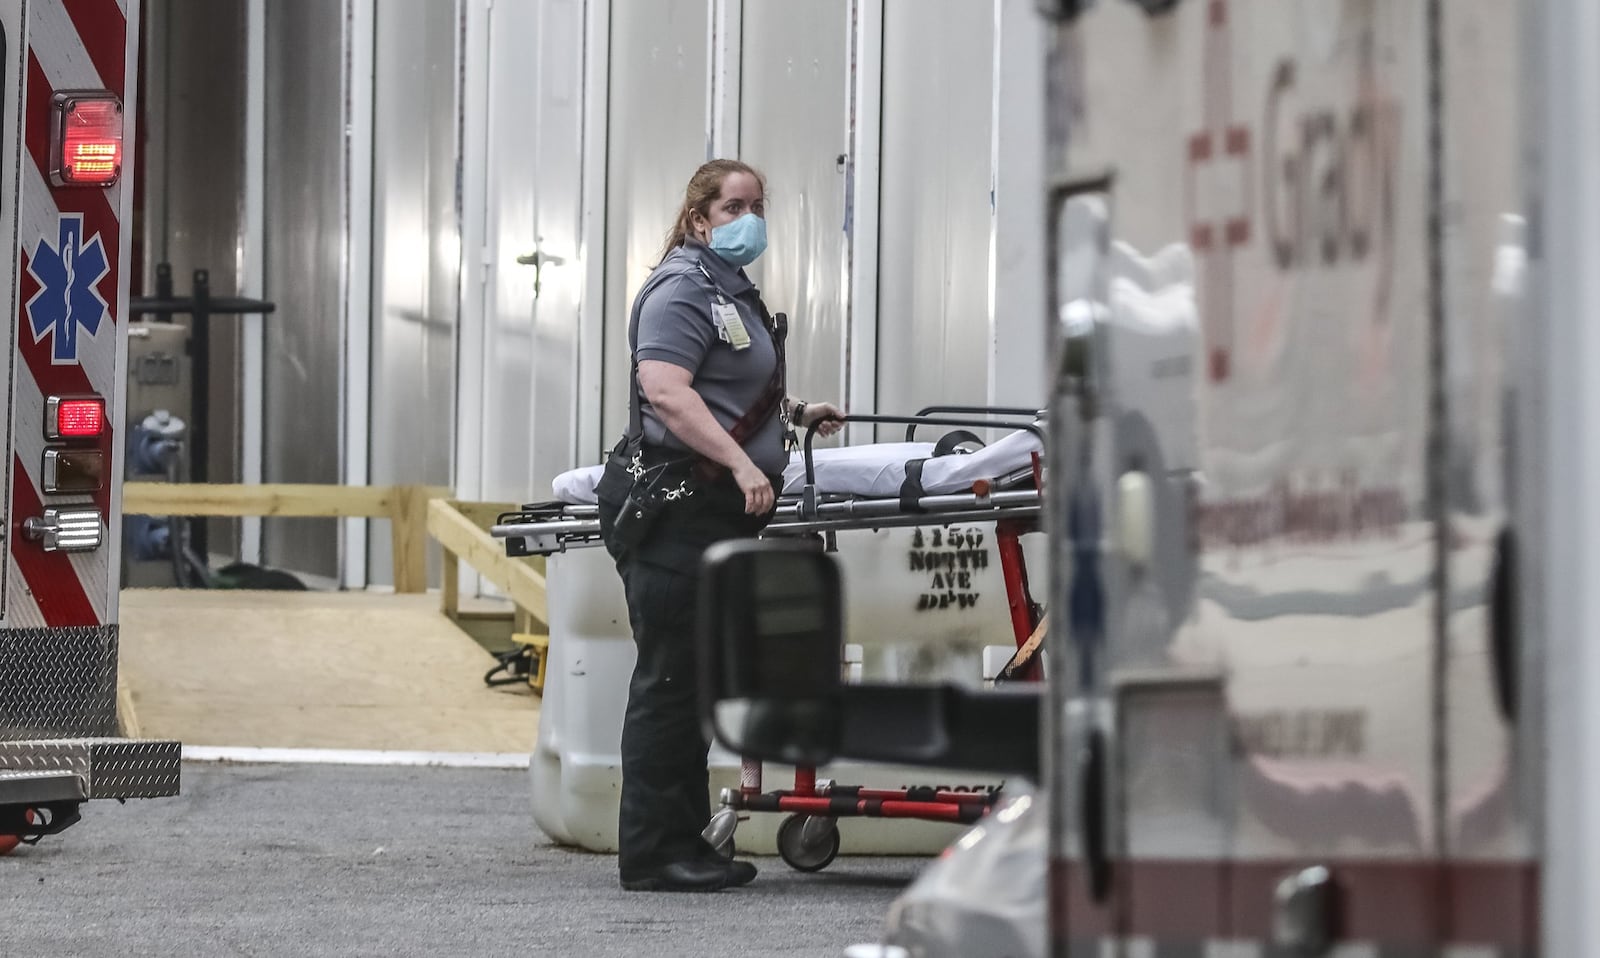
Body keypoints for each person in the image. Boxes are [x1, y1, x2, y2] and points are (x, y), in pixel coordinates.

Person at [595, 159, 844, 892]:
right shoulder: (680, 288)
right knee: (670, 680)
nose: (749, 219)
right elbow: (668, 393)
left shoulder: (725, 289)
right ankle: (651, 853)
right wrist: (743, 465)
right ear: (700, 217)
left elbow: (726, 381)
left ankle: (685, 841)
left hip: (711, 509)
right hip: (679, 506)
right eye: (734, 206)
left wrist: (794, 414)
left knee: (694, 679)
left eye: (757, 205)